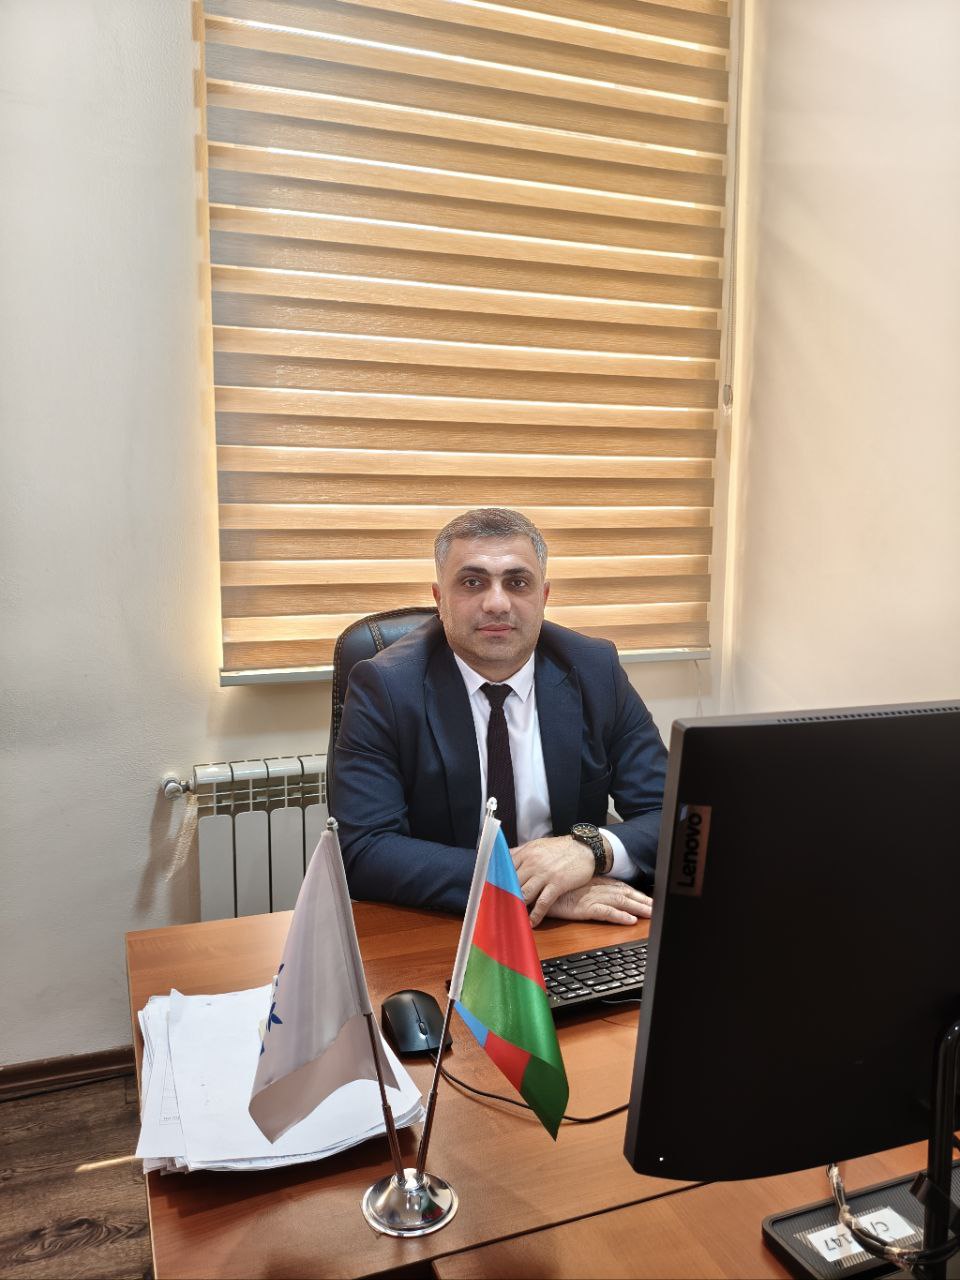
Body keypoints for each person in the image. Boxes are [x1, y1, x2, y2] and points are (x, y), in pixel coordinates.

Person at [333, 508, 667, 925]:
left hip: (573, 926)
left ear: (543, 597)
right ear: (440, 600)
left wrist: (590, 850)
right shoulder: (385, 686)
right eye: (472, 582)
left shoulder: (595, 670)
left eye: (517, 582)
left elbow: (676, 816)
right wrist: (521, 887)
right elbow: (364, 850)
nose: (496, 603)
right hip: (447, 925)